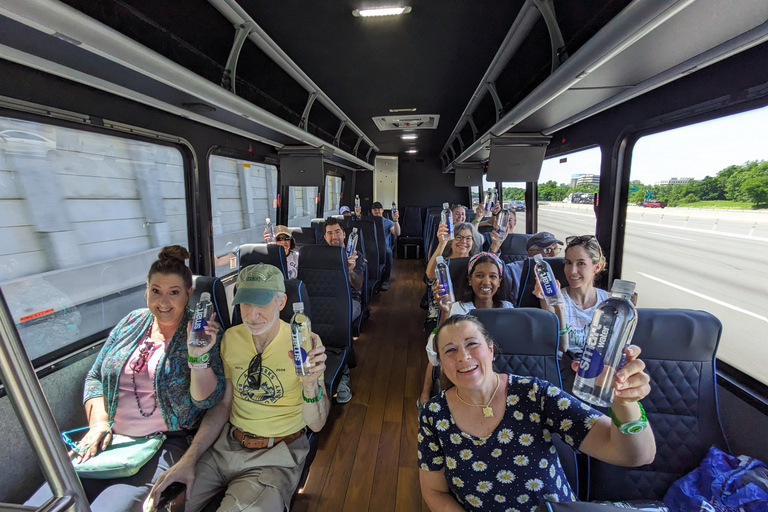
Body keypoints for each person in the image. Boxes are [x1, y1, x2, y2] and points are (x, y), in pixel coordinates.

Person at [26, 246, 225, 512]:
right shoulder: (131, 322)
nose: (163, 302)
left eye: (173, 293)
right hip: (110, 440)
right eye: (156, 291)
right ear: (146, 290)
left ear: (188, 294)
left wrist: (197, 357)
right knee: (48, 503)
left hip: (165, 443)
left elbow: (208, 401)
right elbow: (96, 376)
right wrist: (98, 425)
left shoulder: (204, 334)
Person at [418, 315, 656, 510]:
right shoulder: (434, 415)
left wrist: (624, 403)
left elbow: (636, 455)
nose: (463, 356)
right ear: (441, 362)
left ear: (491, 350)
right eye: (450, 350)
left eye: (472, 343)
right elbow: (435, 491)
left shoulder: (535, 394)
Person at [147, 263, 330, 512]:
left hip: (275, 455)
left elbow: (316, 424)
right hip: (224, 447)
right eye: (245, 304)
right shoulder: (231, 339)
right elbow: (224, 405)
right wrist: (188, 460)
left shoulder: (304, 344)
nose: (252, 316)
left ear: (281, 302)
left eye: (262, 304)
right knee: (163, 506)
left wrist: (310, 384)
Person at [419, 252, 513, 408]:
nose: (486, 282)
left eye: (493, 276)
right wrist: (445, 312)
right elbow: (435, 354)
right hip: (466, 371)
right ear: (470, 280)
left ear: (500, 281)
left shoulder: (509, 310)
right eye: (479, 275)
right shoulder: (458, 309)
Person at [535, 235, 609, 355]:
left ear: (597, 267)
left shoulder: (608, 303)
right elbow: (560, 346)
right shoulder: (552, 299)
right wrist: (559, 307)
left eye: (581, 263)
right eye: (568, 263)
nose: (572, 271)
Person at [323, 216, 367, 404]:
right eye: (330, 233)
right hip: (323, 301)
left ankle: (343, 375)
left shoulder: (355, 256)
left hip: (351, 301)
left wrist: (349, 270)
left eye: (337, 232)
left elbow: (358, 285)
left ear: (344, 234)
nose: (334, 236)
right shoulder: (319, 257)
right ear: (324, 237)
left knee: (339, 321)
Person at [424, 222, 482, 322]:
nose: (463, 241)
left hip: (469, 313)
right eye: (458, 237)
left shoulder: (476, 263)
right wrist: (442, 243)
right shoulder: (442, 263)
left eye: (468, 238)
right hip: (441, 313)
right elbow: (430, 274)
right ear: (451, 240)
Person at [490, 231, 565, 301]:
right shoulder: (514, 270)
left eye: (555, 249)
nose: (554, 254)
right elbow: (492, 272)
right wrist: (494, 248)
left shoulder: (562, 269)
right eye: (547, 250)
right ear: (530, 253)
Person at [368, 201, 400, 291]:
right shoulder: (368, 222)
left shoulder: (388, 222)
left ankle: (385, 279)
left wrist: (396, 220)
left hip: (383, 247)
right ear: (372, 211)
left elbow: (397, 233)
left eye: (378, 209)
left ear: (382, 210)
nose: (377, 211)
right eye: (375, 209)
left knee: (388, 252)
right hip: (370, 247)